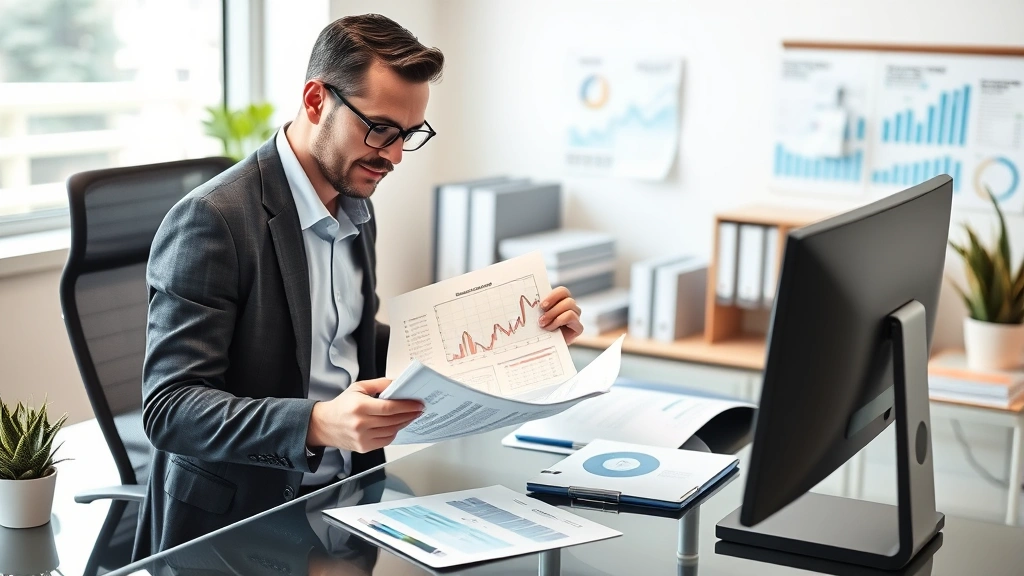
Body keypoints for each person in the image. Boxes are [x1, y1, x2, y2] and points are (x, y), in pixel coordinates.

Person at [135, 13, 583, 558]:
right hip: (241, 527)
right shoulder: (213, 221)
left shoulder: (355, 206)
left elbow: (353, 337)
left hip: (352, 506)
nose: (393, 156)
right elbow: (170, 408)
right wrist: (318, 423)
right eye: (380, 129)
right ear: (316, 100)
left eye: (408, 136)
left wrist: (517, 341)